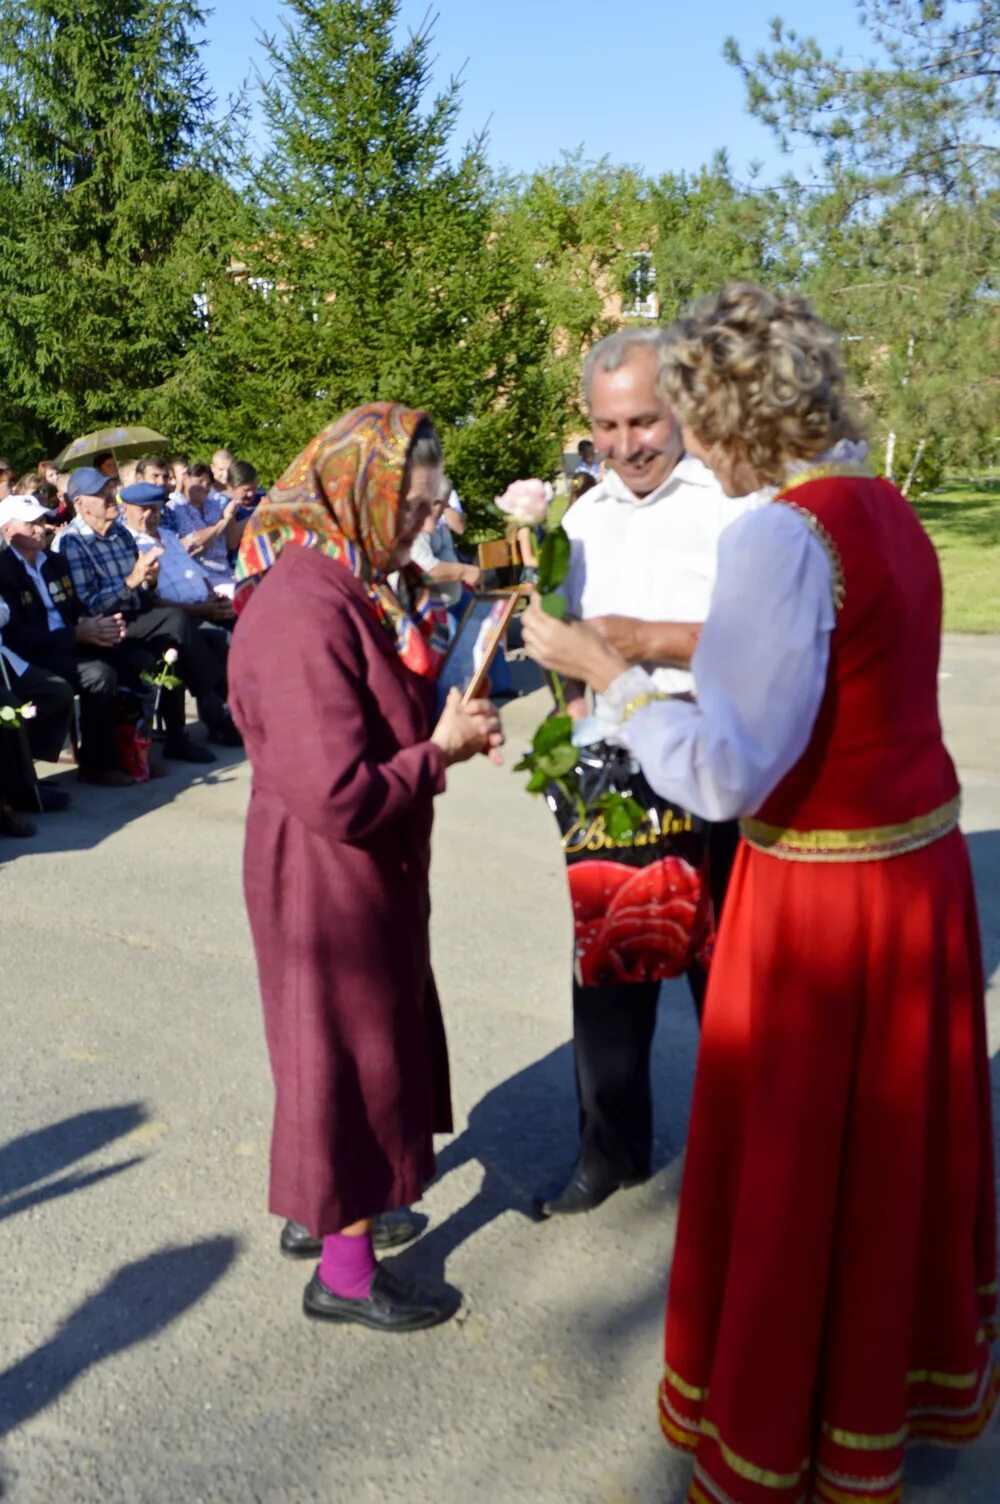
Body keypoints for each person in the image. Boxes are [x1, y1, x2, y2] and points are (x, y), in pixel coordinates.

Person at [522, 281, 997, 1504]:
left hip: (828, 894)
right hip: (914, 873)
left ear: (728, 409)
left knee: (798, 1161)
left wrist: (602, 676)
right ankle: (879, 1382)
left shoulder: (780, 534)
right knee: (883, 1153)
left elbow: (729, 771)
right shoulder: (883, 504)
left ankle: (786, 1421)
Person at [228, 402, 503, 1333]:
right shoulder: (302, 604)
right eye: (415, 510)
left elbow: (378, 709)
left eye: (431, 510)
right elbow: (337, 792)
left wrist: (440, 716)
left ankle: (333, 1210)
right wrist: (441, 754)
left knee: (362, 1049)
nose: (427, 528)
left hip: (358, 867)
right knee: (339, 1058)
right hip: (323, 873)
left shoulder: (348, 581)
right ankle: (343, 1274)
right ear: (361, 495)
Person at [533, 325, 768, 1221]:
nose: (626, 445)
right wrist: (565, 695)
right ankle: (610, 1152)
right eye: (607, 426)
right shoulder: (583, 516)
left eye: (643, 422)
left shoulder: (733, 506)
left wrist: (641, 644)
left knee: (731, 982)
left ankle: (749, 1163)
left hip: (717, 764)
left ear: (680, 411)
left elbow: (767, 649)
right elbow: (567, 636)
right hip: (614, 774)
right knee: (610, 976)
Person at [56, 467, 238, 763]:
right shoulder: (73, 542)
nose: (110, 498)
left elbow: (142, 594)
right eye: (101, 495)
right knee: (176, 623)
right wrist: (132, 581)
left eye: (110, 490)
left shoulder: (118, 534)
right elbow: (89, 605)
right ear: (80, 504)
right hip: (104, 623)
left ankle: (182, 736)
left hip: (136, 614)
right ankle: (214, 706)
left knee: (177, 641)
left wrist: (147, 581)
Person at [0, 494, 150, 790]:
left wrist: (98, 626)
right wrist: (77, 634)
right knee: (98, 675)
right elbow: (17, 636)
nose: (41, 529)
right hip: (34, 654)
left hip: (70, 640)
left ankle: (131, 752)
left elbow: (74, 606)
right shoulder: (4, 571)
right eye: (31, 524)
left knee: (136, 660)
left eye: (42, 521)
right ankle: (96, 765)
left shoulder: (54, 562)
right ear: (8, 531)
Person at [167, 462, 239, 588]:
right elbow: (195, 544)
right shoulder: (175, 508)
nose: (205, 487)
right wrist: (223, 521)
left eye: (209, 484)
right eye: (200, 481)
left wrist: (231, 517)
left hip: (226, 571)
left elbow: (232, 544)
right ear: (185, 479)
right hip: (200, 575)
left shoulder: (215, 506)